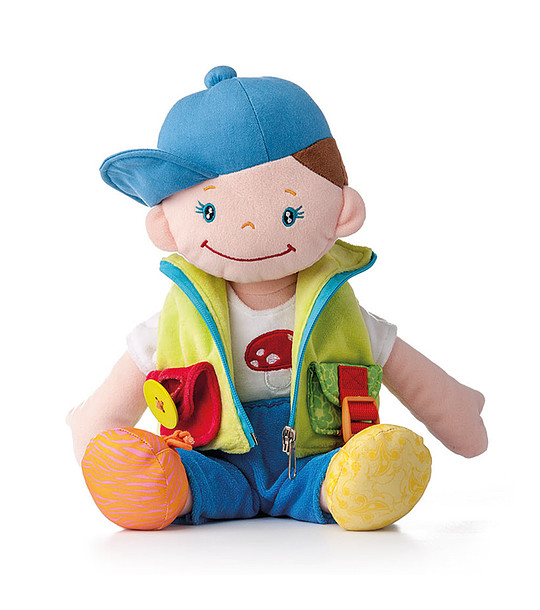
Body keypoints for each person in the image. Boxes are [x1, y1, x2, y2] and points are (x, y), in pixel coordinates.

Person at [68, 66, 487, 531]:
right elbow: (122, 388)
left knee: (359, 467)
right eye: (209, 211)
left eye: (291, 213)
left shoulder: (340, 312)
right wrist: (91, 433)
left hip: (314, 461)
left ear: (343, 211)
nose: (249, 228)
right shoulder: (177, 319)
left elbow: (409, 371)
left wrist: (460, 413)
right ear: (165, 226)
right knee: (169, 472)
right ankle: (165, 488)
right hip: (213, 462)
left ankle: (353, 487)